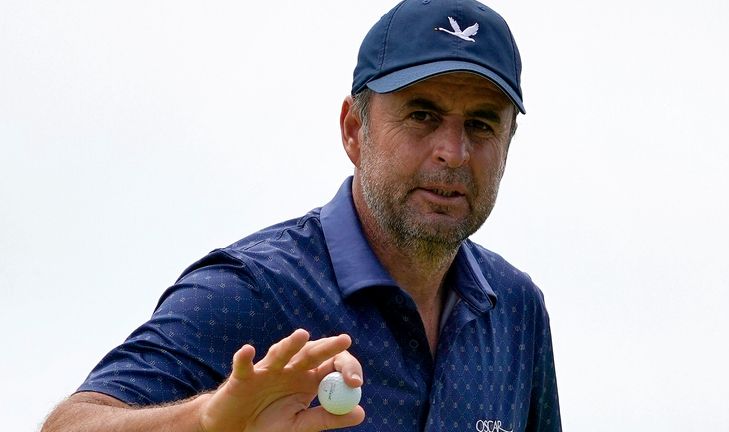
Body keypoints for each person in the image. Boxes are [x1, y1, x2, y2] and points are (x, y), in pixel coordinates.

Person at [42, 0, 561, 431]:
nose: (453, 151)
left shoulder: (516, 310)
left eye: (481, 124)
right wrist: (205, 421)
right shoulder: (251, 288)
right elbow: (70, 425)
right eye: (421, 114)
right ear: (354, 131)